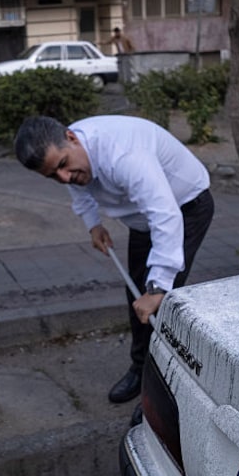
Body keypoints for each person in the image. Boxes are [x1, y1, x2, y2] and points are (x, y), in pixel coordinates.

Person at [15, 115, 214, 406]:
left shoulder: (123, 154)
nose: (64, 177)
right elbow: (77, 188)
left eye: (62, 166)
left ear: (71, 138)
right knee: (136, 293)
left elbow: (166, 215)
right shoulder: (71, 157)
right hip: (144, 218)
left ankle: (158, 396)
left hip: (185, 207)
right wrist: (93, 224)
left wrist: (158, 287)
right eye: (52, 176)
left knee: (162, 304)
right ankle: (139, 368)